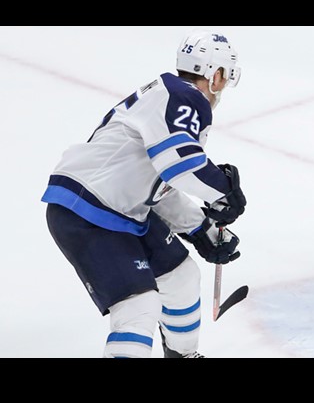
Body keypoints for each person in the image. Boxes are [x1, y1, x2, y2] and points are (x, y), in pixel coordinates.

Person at [41, 30, 247, 357]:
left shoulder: (168, 95)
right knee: (139, 306)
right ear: (216, 75)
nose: (222, 87)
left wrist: (201, 227)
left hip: (120, 207)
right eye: (225, 77)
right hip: (87, 210)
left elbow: (156, 185)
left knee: (181, 277)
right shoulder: (186, 98)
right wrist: (223, 192)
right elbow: (179, 167)